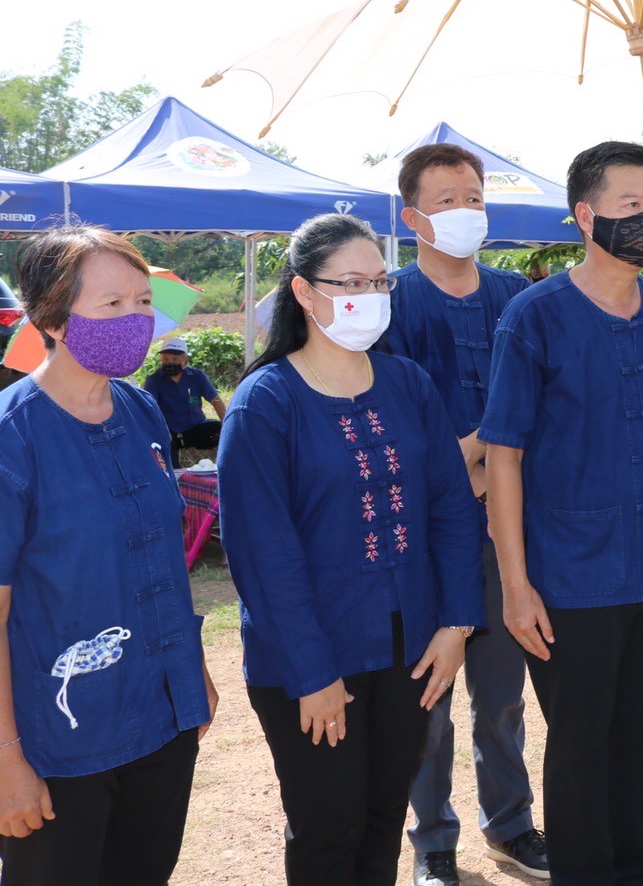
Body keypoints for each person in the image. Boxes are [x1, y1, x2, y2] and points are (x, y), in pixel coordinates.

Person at [217, 213, 485, 885]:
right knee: (327, 828)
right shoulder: (265, 404)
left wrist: (457, 624)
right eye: (351, 282)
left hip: (410, 650)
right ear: (304, 293)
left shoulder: (409, 384)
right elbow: (264, 557)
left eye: (379, 282)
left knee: (381, 820)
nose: (370, 295)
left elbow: (452, 509)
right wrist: (312, 676)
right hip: (311, 661)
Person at [482, 141, 643, 886]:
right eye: (630, 206)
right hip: (570, 579)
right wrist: (516, 586)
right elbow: (504, 455)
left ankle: (639, 872)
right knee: (581, 747)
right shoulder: (535, 317)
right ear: (586, 217)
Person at [0, 224, 217, 883]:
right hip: (59, 740)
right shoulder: (14, 436)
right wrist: (7, 761)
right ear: (55, 319)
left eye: (144, 303)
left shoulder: (142, 409)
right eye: (113, 305)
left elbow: (161, 556)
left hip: (161, 716)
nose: (137, 320)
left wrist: (191, 670)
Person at [382, 144, 547, 885]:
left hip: (507, 532)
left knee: (502, 695)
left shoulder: (520, 295)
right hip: (424, 536)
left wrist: (484, 476)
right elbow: (391, 431)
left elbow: (548, 404)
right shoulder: (388, 305)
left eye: (474, 197)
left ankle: (510, 823)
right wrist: (477, 471)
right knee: (431, 696)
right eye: (446, 199)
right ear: (412, 215)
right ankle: (433, 840)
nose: (465, 211)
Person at [143, 335, 226, 452]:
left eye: (175, 359)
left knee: (219, 430)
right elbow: (150, 407)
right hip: (170, 432)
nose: (169, 362)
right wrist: (162, 428)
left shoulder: (197, 376)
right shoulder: (154, 380)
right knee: (162, 444)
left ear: (185, 362)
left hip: (196, 428)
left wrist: (226, 422)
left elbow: (215, 400)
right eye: (166, 359)